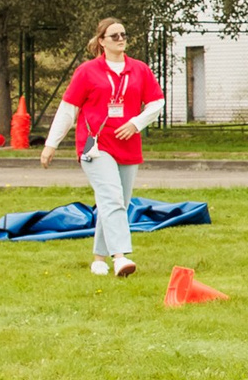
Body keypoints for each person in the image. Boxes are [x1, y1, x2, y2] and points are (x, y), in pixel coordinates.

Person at [40, 19, 166, 278]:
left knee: (119, 202)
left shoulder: (139, 69)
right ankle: (120, 258)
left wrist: (136, 123)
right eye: (114, 35)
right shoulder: (87, 71)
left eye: (123, 34)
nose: (121, 39)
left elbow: (157, 103)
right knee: (111, 198)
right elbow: (68, 109)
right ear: (101, 41)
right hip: (94, 144)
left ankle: (99, 258)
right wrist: (51, 144)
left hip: (128, 143)